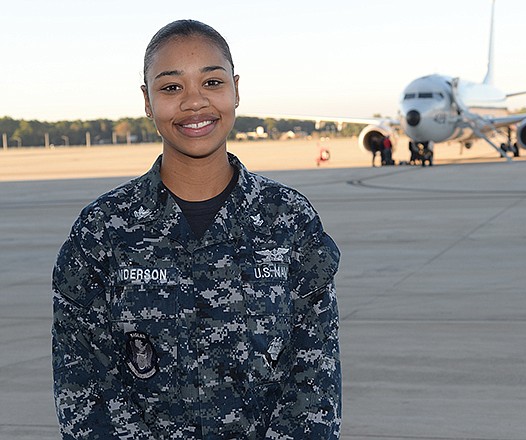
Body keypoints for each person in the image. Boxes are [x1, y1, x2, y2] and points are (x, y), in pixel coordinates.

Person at [51, 19, 341, 440]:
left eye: (212, 82)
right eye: (171, 88)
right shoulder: (102, 233)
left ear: (236, 90)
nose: (194, 102)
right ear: (147, 101)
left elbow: (315, 381)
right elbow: (83, 387)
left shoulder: (289, 221)